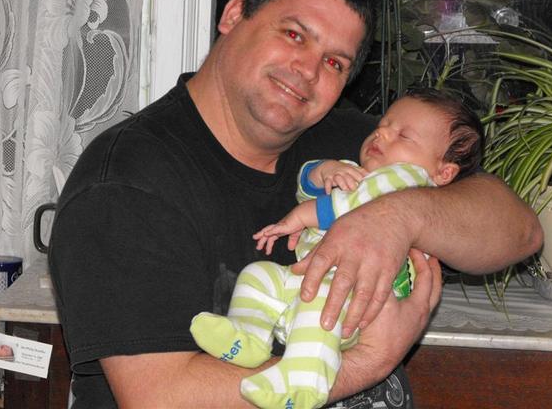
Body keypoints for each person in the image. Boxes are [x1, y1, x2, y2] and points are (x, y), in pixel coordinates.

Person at [48, 0, 542, 408]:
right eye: (294, 35)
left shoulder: (352, 144)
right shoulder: (126, 182)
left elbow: (519, 231)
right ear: (234, 14)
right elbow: (161, 397)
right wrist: (366, 361)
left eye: (334, 62)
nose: (307, 70)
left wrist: (400, 216)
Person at [190, 92, 483, 409]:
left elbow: (351, 204)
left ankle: (304, 381)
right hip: (311, 278)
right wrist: (324, 171)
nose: (381, 134)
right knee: (259, 275)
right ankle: (248, 335)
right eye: (383, 125)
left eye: (403, 136)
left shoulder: (411, 181)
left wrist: (302, 216)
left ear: (444, 172)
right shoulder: (359, 172)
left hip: (360, 295)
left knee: (322, 302)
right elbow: (306, 187)